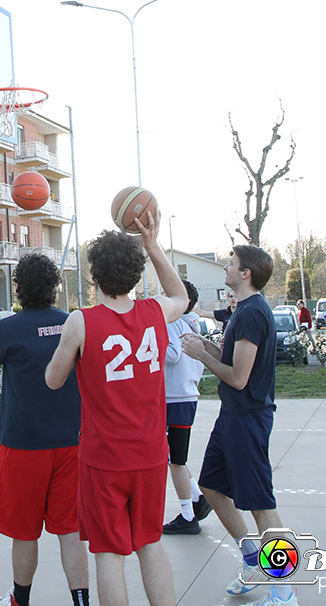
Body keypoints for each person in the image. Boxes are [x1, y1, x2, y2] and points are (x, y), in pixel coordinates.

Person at [46, 212, 189, 606]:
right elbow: (182, 297)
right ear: (136, 273)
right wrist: (153, 246)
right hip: (149, 454)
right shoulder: (155, 312)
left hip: (104, 458)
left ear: (95, 275)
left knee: (109, 553)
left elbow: (53, 380)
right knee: (149, 544)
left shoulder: (81, 322)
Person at [181, 245, 298, 606]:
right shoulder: (244, 311)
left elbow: (238, 378)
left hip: (248, 418)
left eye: (230, 264)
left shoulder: (251, 313)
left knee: (261, 504)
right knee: (211, 486)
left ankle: (284, 591)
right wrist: (209, 347)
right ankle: (251, 561)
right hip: (232, 416)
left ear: (245, 273)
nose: (225, 269)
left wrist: (202, 356)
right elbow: (231, 361)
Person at [0, 253, 89, 606]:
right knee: (70, 531)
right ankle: (81, 602)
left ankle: (18, 601)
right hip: (72, 443)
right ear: (55, 288)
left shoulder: (7, 328)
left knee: (25, 532)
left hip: (23, 445)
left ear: (19, 288)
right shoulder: (74, 322)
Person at [161, 279, 213, 536]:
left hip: (175, 397)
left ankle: (187, 515)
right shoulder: (193, 321)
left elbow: (172, 354)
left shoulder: (173, 322)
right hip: (186, 394)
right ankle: (196, 497)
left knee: (175, 461)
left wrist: (149, 348)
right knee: (175, 457)